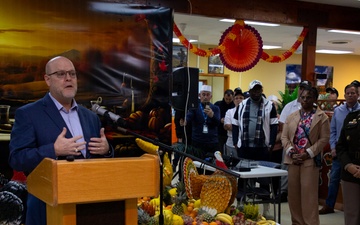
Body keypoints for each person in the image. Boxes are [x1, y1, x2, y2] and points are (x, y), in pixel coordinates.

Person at [8, 56, 114, 225]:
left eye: (72, 73)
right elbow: (17, 159)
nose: (68, 78)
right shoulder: (28, 114)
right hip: (47, 207)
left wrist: (106, 150)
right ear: (47, 79)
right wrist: (53, 150)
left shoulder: (91, 117)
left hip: (88, 207)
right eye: (61, 74)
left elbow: (97, 161)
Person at [281, 86, 330, 225]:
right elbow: (284, 137)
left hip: (310, 161)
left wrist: (307, 153)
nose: (305, 100)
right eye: (302, 97)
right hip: (293, 160)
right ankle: (296, 222)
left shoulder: (322, 117)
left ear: (315, 99)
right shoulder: (292, 116)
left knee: (309, 197)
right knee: (294, 196)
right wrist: (291, 151)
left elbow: (324, 139)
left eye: (308, 97)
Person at [234, 80, 278, 218]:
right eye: (254, 90)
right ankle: (241, 205)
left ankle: (266, 208)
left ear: (261, 90)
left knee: (264, 178)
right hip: (245, 148)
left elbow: (274, 125)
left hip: (261, 148)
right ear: (250, 91)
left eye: (259, 90)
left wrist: (271, 143)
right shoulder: (242, 105)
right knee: (243, 179)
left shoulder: (269, 105)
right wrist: (236, 141)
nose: (257, 92)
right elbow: (235, 124)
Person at [319, 84, 360, 215]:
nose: (350, 95)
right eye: (347, 93)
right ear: (344, 95)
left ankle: (354, 209)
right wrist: (332, 147)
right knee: (334, 178)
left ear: (358, 95)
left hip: (355, 152)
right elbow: (333, 131)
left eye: (353, 93)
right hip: (339, 151)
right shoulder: (338, 111)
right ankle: (329, 205)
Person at [278, 80, 312, 201]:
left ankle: (301, 193)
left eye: (306, 89)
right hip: (290, 143)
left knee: (305, 169)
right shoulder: (289, 106)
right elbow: (282, 126)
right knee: (286, 167)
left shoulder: (315, 109)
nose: (303, 91)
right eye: (301, 88)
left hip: (307, 145)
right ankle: (283, 191)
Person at [335, 85, 360, 225]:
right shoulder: (351, 118)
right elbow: (341, 146)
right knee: (352, 214)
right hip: (350, 172)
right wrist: (349, 166)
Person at [180, 85, 220, 160]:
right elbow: (189, 116)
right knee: (197, 164)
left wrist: (212, 116)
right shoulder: (195, 107)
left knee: (212, 166)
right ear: (199, 95)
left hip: (212, 142)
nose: (205, 97)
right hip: (197, 141)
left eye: (207, 95)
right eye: (203, 94)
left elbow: (218, 123)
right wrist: (185, 121)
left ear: (211, 96)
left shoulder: (215, 108)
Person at [223, 88, 244, 158]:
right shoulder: (229, 112)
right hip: (231, 143)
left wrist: (235, 127)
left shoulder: (248, 112)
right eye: (236, 98)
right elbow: (227, 126)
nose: (239, 100)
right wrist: (241, 127)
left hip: (244, 144)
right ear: (234, 101)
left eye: (241, 98)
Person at [215, 89, 235, 154]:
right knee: (219, 150)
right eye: (226, 99)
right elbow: (214, 117)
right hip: (220, 131)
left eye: (230, 99)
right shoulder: (218, 104)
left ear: (233, 98)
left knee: (229, 152)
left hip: (230, 132)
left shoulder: (234, 106)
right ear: (224, 97)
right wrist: (220, 119)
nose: (228, 101)